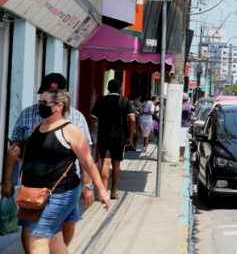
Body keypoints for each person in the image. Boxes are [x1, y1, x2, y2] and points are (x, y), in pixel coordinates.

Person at [1, 74, 95, 253]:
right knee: (30, 225)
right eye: (47, 92)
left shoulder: (77, 118)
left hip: (66, 187)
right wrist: (7, 181)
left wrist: (87, 185)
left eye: (56, 92)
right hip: (33, 188)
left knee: (66, 224)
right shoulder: (27, 115)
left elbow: (86, 155)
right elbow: (14, 150)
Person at [16, 90, 111, 254]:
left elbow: (88, 161)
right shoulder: (38, 127)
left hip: (59, 193)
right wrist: (17, 154)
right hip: (35, 193)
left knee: (37, 239)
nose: (40, 106)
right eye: (40, 102)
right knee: (54, 239)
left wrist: (101, 190)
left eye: (45, 103)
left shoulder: (70, 130)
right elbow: (33, 159)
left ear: (59, 106)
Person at [91, 79, 136, 200]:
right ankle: (114, 191)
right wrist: (130, 137)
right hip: (119, 138)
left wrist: (94, 132)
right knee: (116, 164)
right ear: (120, 89)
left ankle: (103, 191)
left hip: (103, 136)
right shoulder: (125, 101)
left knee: (105, 162)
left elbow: (93, 118)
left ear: (108, 88)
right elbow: (132, 119)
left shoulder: (101, 100)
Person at [180, 95, 193, 162]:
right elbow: (192, 115)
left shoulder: (180, 105)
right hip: (185, 126)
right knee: (183, 142)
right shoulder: (189, 106)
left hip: (180, 125)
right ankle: (181, 156)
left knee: (182, 141)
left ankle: (181, 155)